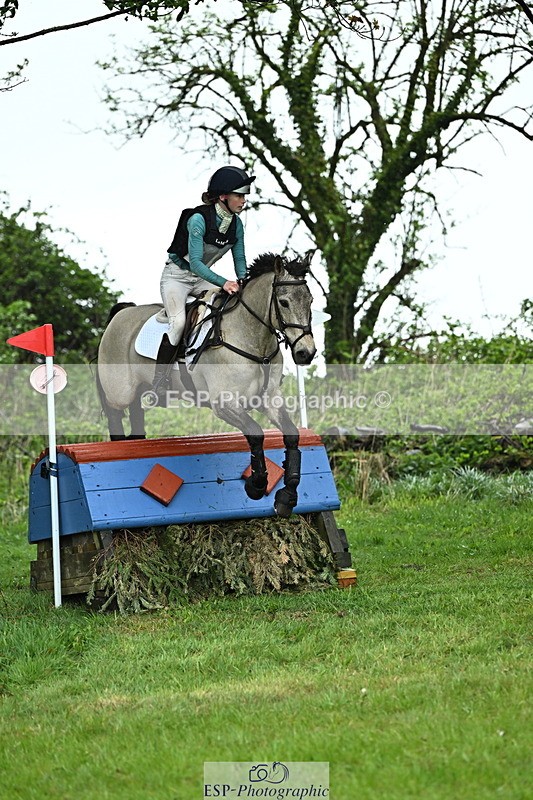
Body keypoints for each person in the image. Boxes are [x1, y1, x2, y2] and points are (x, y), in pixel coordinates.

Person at [152, 165, 255, 400]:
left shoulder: (236, 224)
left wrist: (244, 282)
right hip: (176, 278)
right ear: (223, 197)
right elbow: (196, 263)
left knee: (227, 308)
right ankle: (159, 380)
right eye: (239, 195)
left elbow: (239, 259)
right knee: (178, 324)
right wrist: (224, 282)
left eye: (244, 195)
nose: (243, 200)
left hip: (201, 279)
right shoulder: (198, 219)